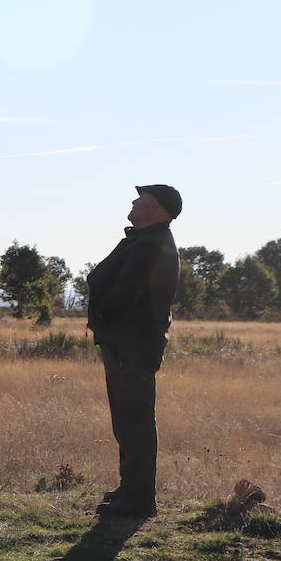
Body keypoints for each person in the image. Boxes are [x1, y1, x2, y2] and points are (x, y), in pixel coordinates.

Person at [86, 185, 181, 518]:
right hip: (126, 342)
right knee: (127, 422)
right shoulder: (145, 240)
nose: (132, 201)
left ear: (154, 207)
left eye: (140, 198)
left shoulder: (151, 245)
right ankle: (131, 489)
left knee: (135, 421)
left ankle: (139, 500)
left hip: (132, 345)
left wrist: (104, 317)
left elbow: (126, 293)